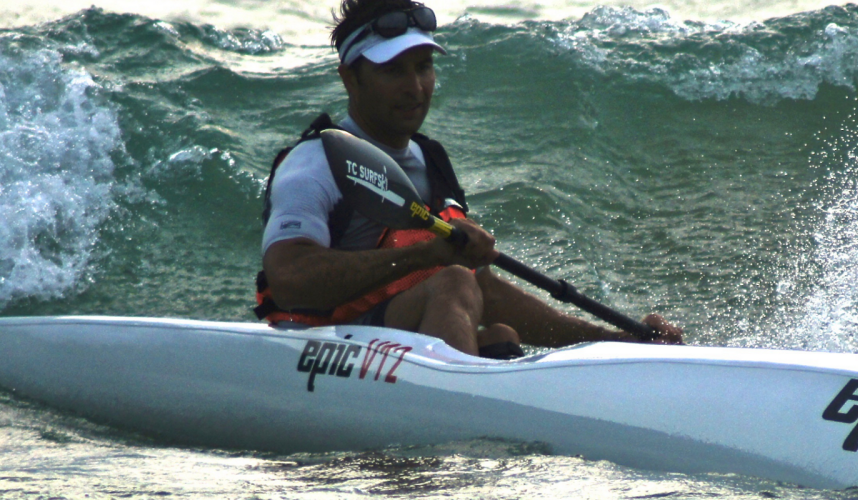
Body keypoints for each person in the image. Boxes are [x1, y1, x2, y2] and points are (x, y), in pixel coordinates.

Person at [256, 0, 683, 358]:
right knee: (454, 281)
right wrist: (425, 257)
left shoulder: (432, 160)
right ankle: (462, 442)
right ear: (349, 78)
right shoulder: (314, 164)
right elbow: (290, 281)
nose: (415, 86)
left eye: (423, 67)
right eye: (393, 71)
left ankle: (488, 437)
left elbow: (489, 293)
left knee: (498, 331)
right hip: (315, 353)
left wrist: (617, 342)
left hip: (393, 349)